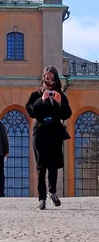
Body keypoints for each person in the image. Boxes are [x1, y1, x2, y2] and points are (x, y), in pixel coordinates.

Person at [26, 65, 72, 210]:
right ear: (43, 79)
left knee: (53, 166)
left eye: (51, 78)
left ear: (55, 79)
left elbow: (67, 114)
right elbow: (31, 112)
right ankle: (41, 199)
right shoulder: (36, 94)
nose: (49, 81)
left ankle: (52, 192)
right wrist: (41, 100)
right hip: (40, 132)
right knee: (41, 167)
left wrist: (59, 103)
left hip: (55, 132)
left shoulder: (60, 95)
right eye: (47, 78)